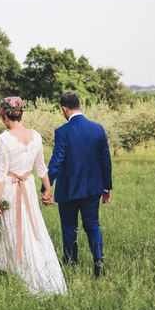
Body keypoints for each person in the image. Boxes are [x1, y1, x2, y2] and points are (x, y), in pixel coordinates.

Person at [0, 96, 67, 295]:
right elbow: (41, 168)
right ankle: (33, 266)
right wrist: (48, 190)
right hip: (29, 186)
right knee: (31, 228)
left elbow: (1, 173)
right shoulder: (36, 136)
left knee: (11, 227)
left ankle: (18, 270)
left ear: (5, 116)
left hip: (10, 187)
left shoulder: (4, 138)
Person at [42, 92, 112, 278]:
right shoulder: (98, 129)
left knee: (69, 227)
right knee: (93, 225)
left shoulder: (62, 132)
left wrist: (46, 187)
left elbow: (56, 161)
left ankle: (71, 263)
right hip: (92, 189)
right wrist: (107, 188)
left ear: (65, 109)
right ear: (79, 105)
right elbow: (106, 161)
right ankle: (98, 260)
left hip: (69, 190)